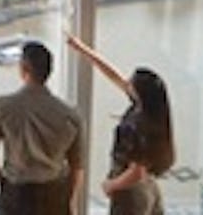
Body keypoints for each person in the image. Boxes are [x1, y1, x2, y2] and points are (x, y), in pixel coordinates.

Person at [65, 33, 174, 215]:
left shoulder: (137, 124)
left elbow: (136, 170)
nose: (127, 82)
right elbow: (113, 74)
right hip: (149, 188)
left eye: (131, 82)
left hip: (130, 192)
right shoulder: (153, 115)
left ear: (139, 92)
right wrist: (82, 49)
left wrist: (110, 185)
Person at [0, 41, 83, 215]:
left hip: (16, 195)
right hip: (54, 196)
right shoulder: (70, 115)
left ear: (23, 68)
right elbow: (77, 166)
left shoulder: (2, 107)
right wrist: (70, 203)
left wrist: (3, 182)